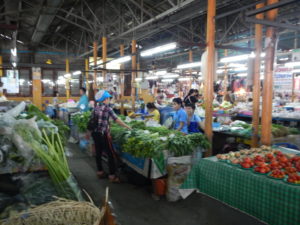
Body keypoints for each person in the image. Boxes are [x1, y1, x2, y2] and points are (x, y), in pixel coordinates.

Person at [92, 90, 131, 183]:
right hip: (103, 134)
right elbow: (116, 119)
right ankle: (112, 176)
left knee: (98, 152)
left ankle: (100, 171)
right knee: (110, 154)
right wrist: (127, 126)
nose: (109, 100)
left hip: (95, 134)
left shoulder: (95, 108)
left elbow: (94, 121)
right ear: (105, 99)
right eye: (109, 98)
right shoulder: (108, 108)